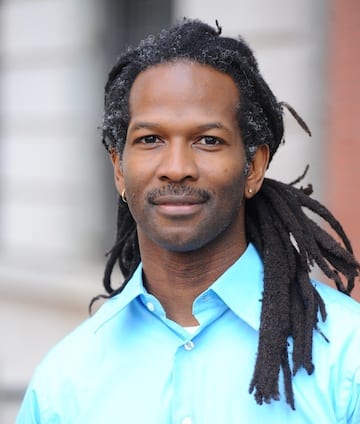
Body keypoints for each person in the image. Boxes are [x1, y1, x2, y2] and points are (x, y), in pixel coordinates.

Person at [17, 19, 360, 423]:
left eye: (208, 140)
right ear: (119, 169)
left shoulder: (347, 357)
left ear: (253, 167)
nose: (177, 168)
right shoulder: (63, 381)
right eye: (150, 139)